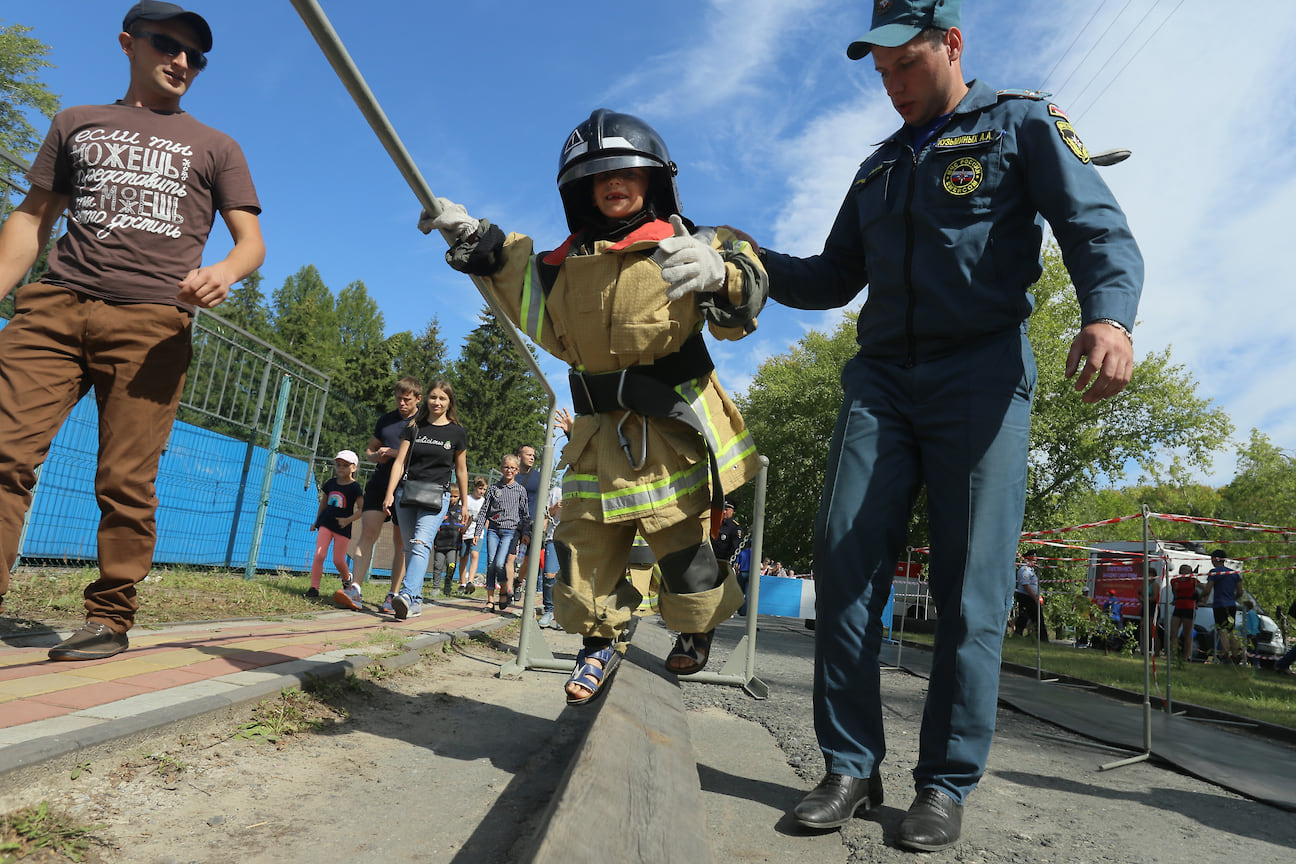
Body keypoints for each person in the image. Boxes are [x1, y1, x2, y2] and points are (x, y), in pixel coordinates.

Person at [731, 1, 1144, 850]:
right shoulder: (878, 169)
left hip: (981, 375)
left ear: (951, 44)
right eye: (880, 75)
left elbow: (1094, 224)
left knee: (969, 587)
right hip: (881, 381)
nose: (892, 88)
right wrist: (741, 257)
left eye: (905, 66)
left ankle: (944, 783)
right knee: (845, 564)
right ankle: (849, 766)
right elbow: (832, 276)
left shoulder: (1021, 122)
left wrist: (1110, 317)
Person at [420, 107, 765, 705]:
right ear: (578, 193)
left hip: (671, 431)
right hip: (597, 436)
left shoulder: (694, 243)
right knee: (582, 547)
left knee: (681, 549)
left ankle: (696, 623)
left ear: (655, 180)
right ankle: (599, 644)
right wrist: (473, 238)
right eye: (596, 176)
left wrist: (723, 274)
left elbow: (746, 298)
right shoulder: (562, 269)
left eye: (627, 172)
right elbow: (517, 282)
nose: (613, 183)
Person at [0, 2, 264, 661]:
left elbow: (251, 241)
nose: (182, 61)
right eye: (168, 45)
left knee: (125, 479)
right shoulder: (76, 122)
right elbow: (33, 217)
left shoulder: (218, 146)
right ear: (128, 43)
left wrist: (225, 271)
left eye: (196, 56)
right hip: (52, 311)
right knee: (4, 455)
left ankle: (109, 617)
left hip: (151, 326)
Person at [381, 379, 469, 621]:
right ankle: (416, 602)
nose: (437, 402)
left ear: (449, 402)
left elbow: (461, 470)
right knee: (409, 547)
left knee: (420, 544)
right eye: (433, 397)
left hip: (436, 496)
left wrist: (463, 503)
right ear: (426, 399)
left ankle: (407, 595)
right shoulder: (414, 426)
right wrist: (389, 493)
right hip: (406, 493)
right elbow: (399, 462)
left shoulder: (457, 432)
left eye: (442, 398)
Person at [347, 377, 421, 612]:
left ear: (418, 399)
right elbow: (369, 450)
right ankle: (355, 588)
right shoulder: (386, 420)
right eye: (398, 398)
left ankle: (393, 594)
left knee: (401, 543)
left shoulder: (424, 424)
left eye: (407, 399)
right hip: (379, 483)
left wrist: (395, 452)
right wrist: (375, 456)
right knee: (367, 532)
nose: (401, 403)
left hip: (406, 486)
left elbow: (423, 456)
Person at [472, 454, 530, 614]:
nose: (509, 470)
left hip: (509, 532)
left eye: (512, 468)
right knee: (490, 564)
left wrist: (526, 533)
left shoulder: (520, 490)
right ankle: (490, 601)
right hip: (493, 530)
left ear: (517, 471)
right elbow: (484, 512)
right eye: (506, 467)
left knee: (500, 563)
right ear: (501, 468)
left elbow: (525, 514)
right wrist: (478, 531)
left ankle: (504, 589)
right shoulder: (493, 489)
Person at [306, 451, 362, 598]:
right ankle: (314, 588)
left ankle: (346, 578)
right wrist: (317, 522)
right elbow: (323, 503)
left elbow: (362, 510)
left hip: (343, 528)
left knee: (338, 560)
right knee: (319, 555)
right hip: (326, 524)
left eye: (345, 465)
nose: (341, 468)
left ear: (354, 468)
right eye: (338, 465)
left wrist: (347, 520)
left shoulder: (355, 487)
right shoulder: (330, 483)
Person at [1205, 549, 1243, 663]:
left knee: (1222, 630)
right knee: (1231, 630)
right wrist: (1232, 599)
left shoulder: (1214, 572)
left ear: (1214, 559)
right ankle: (1236, 655)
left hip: (1219, 605)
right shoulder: (1234, 573)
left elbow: (1208, 590)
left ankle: (1226, 655)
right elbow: (1240, 592)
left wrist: (1200, 596)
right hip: (1231, 605)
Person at [431, 486, 466, 598]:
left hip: (454, 544)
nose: (452, 499)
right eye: (450, 496)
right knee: (438, 565)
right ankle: (436, 587)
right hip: (440, 542)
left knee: (451, 565)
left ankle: (448, 585)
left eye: (455, 496)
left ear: (459, 497)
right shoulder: (440, 507)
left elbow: (467, 521)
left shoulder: (461, 510)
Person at [458, 475, 488, 594]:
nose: (482, 491)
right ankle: (462, 582)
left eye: (484, 489)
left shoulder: (484, 502)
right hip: (465, 530)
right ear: (475, 487)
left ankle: (470, 581)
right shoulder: (466, 499)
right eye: (480, 488)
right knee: (464, 557)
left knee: (474, 554)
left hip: (477, 532)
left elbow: (486, 519)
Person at [1012, 550, 1047, 641]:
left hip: (1031, 597)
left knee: (1035, 618)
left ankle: (1040, 638)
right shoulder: (1025, 570)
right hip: (1026, 597)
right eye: (1033, 559)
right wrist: (1035, 598)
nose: (1035, 561)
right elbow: (1026, 585)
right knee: (1025, 617)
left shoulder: (1031, 570)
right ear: (1028, 559)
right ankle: (1019, 635)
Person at [1169, 564, 1199, 661]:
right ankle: (1173, 655)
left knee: (1187, 634)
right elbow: (1175, 592)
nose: (1187, 573)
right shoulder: (1174, 581)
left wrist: (1200, 600)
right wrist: (1175, 599)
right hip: (1178, 606)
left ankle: (1186, 657)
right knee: (1173, 632)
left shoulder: (1193, 581)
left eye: (1189, 571)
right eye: (1185, 571)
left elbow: (1205, 588)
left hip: (1189, 607)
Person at [713, 500, 742, 565]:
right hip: (711, 559)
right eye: (723, 509)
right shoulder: (715, 523)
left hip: (724, 561)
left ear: (732, 511)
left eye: (726, 510)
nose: (724, 512)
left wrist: (728, 562)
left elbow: (735, 547)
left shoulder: (735, 527)